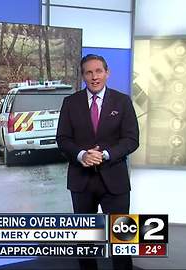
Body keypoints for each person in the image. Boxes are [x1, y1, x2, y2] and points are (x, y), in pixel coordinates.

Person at [56, 54, 139, 270]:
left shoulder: (122, 101)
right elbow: (63, 139)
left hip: (115, 181)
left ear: (107, 73)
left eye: (98, 71)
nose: (94, 77)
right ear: (83, 75)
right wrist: (82, 154)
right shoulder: (70, 103)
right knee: (84, 241)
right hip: (81, 182)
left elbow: (131, 139)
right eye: (89, 72)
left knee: (122, 240)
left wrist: (106, 154)